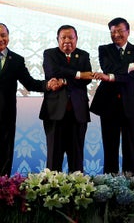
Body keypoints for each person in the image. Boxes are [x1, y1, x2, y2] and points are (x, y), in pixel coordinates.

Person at [0, 23, 62, 175]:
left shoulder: (16, 60)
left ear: (8, 37)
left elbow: (29, 83)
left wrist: (47, 85)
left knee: (5, 155)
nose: (0, 39)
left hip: (6, 114)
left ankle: (4, 189)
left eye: (3, 35)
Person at [90, 17, 134, 175]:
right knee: (110, 147)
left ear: (128, 32)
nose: (116, 35)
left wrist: (111, 77)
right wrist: (131, 65)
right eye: (113, 32)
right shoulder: (104, 49)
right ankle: (110, 184)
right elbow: (108, 67)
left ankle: (132, 184)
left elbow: (132, 76)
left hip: (131, 103)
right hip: (108, 104)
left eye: (120, 31)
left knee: (130, 147)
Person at [39, 24, 93, 172]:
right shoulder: (50, 54)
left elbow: (87, 79)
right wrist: (79, 74)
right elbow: (52, 71)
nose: (67, 41)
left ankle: (78, 191)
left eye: (71, 37)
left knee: (76, 159)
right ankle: (51, 191)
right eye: (63, 38)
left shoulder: (83, 55)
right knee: (53, 158)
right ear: (58, 39)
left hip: (78, 113)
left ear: (77, 39)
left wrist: (65, 80)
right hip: (55, 113)